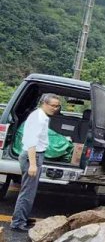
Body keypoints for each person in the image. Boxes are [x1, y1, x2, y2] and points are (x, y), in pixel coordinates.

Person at [10, 94, 61, 232]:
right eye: (53, 105)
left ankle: (22, 217)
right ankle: (18, 223)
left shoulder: (42, 116)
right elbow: (31, 142)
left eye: (57, 106)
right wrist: (33, 164)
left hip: (35, 155)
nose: (55, 108)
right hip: (32, 156)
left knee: (29, 191)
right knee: (27, 191)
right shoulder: (38, 118)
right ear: (44, 103)